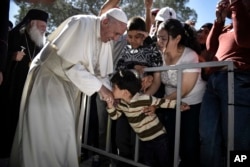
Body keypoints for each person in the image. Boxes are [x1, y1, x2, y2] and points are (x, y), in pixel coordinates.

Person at [9, 8, 127, 167]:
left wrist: (111, 95)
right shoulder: (81, 23)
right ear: (105, 22)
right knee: (48, 133)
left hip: (68, 86)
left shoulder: (106, 38)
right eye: (116, 33)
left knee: (64, 134)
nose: (116, 38)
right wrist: (102, 89)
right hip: (49, 80)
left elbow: (101, 74)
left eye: (119, 35)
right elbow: (69, 65)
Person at [200, 0, 250, 167]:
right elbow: (210, 48)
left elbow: (243, 40)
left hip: (238, 80)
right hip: (214, 82)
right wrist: (219, 20)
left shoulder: (244, 20)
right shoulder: (228, 26)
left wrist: (236, 4)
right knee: (208, 136)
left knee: (238, 140)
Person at [105, 70, 189, 167]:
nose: (112, 90)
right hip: (144, 140)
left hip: (159, 138)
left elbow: (162, 102)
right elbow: (115, 116)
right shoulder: (122, 104)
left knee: (164, 162)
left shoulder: (144, 99)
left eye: (114, 87)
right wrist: (110, 105)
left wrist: (179, 105)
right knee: (149, 163)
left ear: (125, 92)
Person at [114, 16, 163, 167]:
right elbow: (118, 73)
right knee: (121, 138)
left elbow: (157, 80)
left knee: (139, 140)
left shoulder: (153, 50)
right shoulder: (125, 51)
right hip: (124, 104)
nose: (133, 40)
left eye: (138, 36)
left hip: (142, 104)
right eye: (130, 36)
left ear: (145, 34)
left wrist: (144, 99)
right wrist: (132, 68)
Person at [0, 8, 49, 161]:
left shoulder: (41, 43)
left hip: (30, 90)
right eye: (41, 27)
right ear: (32, 24)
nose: (43, 31)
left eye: (45, 29)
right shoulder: (14, 36)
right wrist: (12, 56)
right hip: (12, 89)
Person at [157, 19, 206, 167]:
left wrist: (158, 103)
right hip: (171, 103)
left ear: (177, 38)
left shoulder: (190, 56)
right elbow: (155, 83)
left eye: (163, 38)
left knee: (189, 145)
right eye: (158, 37)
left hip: (192, 105)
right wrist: (144, 97)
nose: (159, 41)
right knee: (170, 140)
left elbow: (183, 91)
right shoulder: (160, 54)